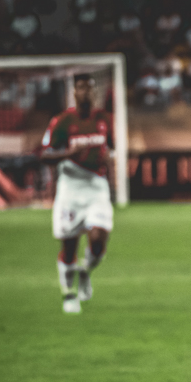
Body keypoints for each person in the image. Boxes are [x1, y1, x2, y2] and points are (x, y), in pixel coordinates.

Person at [39, 73, 113, 314]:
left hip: (96, 185)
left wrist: (111, 183)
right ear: (74, 92)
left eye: (90, 88)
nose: (86, 92)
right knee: (69, 246)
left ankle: (86, 271)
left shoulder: (104, 119)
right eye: (81, 87)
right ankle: (68, 293)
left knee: (99, 240)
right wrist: (68, 154)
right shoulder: (62, 122)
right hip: (71, 187)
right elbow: (44, 155)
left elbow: (109, 151)